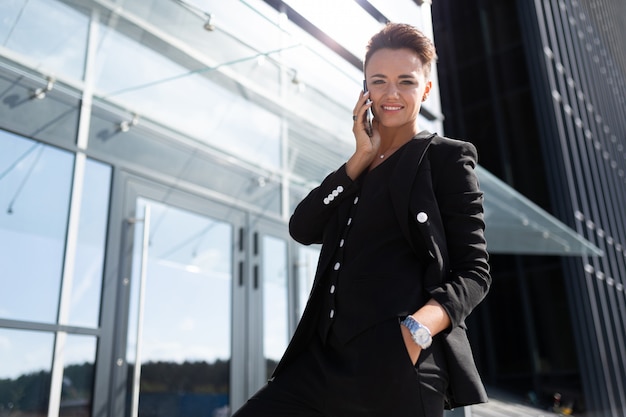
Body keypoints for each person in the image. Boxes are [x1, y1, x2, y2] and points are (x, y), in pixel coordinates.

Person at [232, 22, 491, 417]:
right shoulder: (358, 168)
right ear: (364, 90)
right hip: (317, 364)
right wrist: (359, 158)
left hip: (395, 364)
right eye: (379, 81)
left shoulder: (446, 159)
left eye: (405, 81)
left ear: (425, 89)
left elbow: (474, 272)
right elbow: (302, 228)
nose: (391, 93)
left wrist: (416, 331)